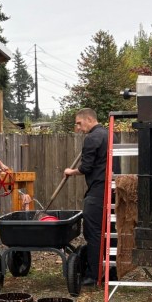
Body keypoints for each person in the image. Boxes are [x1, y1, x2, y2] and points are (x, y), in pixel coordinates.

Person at [63, 108, 109, 286]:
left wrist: (71, 171)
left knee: (93, 232)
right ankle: (110, 271)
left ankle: (93, 275)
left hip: (98, 190)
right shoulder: (109, 134)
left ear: (89, 119)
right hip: (111, 189)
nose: (78, 128)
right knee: (107, 232)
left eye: (79, 123)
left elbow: (86, 167)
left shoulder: (92, 138)